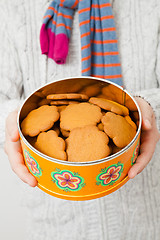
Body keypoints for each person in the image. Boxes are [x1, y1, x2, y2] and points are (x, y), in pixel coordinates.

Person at [1, 0, 160, 239]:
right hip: (54, 223)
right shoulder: (14, 8)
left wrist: (149, 107)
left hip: (145, 220)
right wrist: (13, 121)